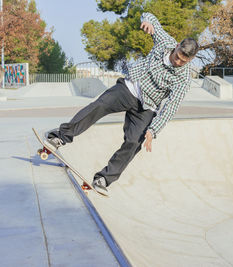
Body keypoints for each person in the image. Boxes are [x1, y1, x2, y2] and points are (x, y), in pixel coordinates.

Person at [45, 12, 199, 195]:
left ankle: (104, 178)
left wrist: (153, 130)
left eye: (183, 61)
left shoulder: (183, 79)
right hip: (130, 87)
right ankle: (61, 136)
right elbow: (150, 16)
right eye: (178, 56)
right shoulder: (165, 42)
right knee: (101, 104)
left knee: (135, 141)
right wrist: (146, 20)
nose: (178, 62)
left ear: (190, 61)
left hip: (147, 107)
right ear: (177, 46)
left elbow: (171, 107)